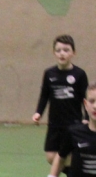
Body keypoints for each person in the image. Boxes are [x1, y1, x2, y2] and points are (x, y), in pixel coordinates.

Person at [33, 35, 89, 166]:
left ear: (73, 53)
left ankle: (73, 174)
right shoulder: (49, 73)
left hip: (73, 123)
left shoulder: (79, 74)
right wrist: (38, 113)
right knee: (50, 156)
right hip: (54, 123)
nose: (62, 53)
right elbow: (44, 95)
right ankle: (73, 172)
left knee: (70, 154)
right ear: (54, 53)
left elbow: (85, 99)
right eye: (58, 50)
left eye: (66, 50)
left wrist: (87, 118)